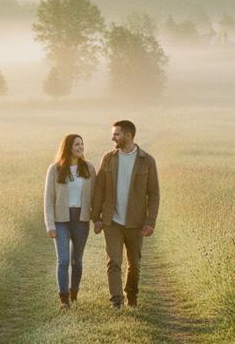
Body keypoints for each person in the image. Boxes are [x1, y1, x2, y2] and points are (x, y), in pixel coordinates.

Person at [91, 120, 160, 308]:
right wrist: (96, 217)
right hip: (112, 221)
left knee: (135, 264)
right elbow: (99, 188)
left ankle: (131, 295)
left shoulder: (147, 161)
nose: (113, 138)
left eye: (116, 134)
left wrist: (150, 221)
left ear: (128, 136)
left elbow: (154, 194)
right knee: (113, 261)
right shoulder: (109, 158)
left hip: (136, 223)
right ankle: (116, 300)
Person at [44, 134, 96, 307]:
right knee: (63, 260)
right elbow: (48, 200)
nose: (80, 147)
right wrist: (50, 225)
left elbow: (95, 196)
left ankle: (74, 292)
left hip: (81, 220)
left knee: (77, 261)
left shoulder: (89, 168)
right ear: (68, 148)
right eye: (76, 145)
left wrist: (97, 219)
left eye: (82, 144)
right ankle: (64, 299)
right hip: (61, 220)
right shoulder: (55, 169)